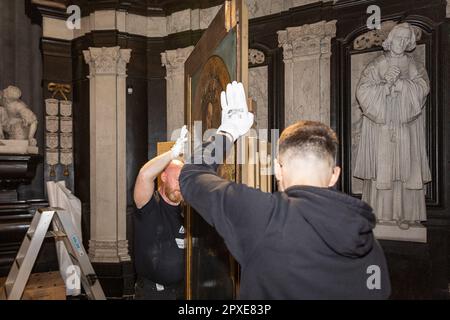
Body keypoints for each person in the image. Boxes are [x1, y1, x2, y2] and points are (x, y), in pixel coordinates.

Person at [179, 81, 391, 299]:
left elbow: (191, 175)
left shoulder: (265, 216)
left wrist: (228, 131)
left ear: (277, 170)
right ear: (334, 175)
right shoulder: (366, 239)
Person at [354, 22, 431, 228]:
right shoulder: (378, 63)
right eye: (399, 38)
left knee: (407, 169)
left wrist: (400, 85)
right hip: (383, 127)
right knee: (383, 168)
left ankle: (406, 215)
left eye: (407, 39)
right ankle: (381, 215)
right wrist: (385, 85)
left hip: (406, 126)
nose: (402, 42)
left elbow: (423, 87)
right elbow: (362, 91)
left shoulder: (414, 65)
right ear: (391, 39)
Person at [133, 126, 188, 300]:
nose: (181, 183)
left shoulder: (188, 211)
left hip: (182, 292)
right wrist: (172, 154)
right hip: (152, 294)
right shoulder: (150, 206)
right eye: (177, 178)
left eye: (184, 179)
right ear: (163, 176)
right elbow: (144, 175)